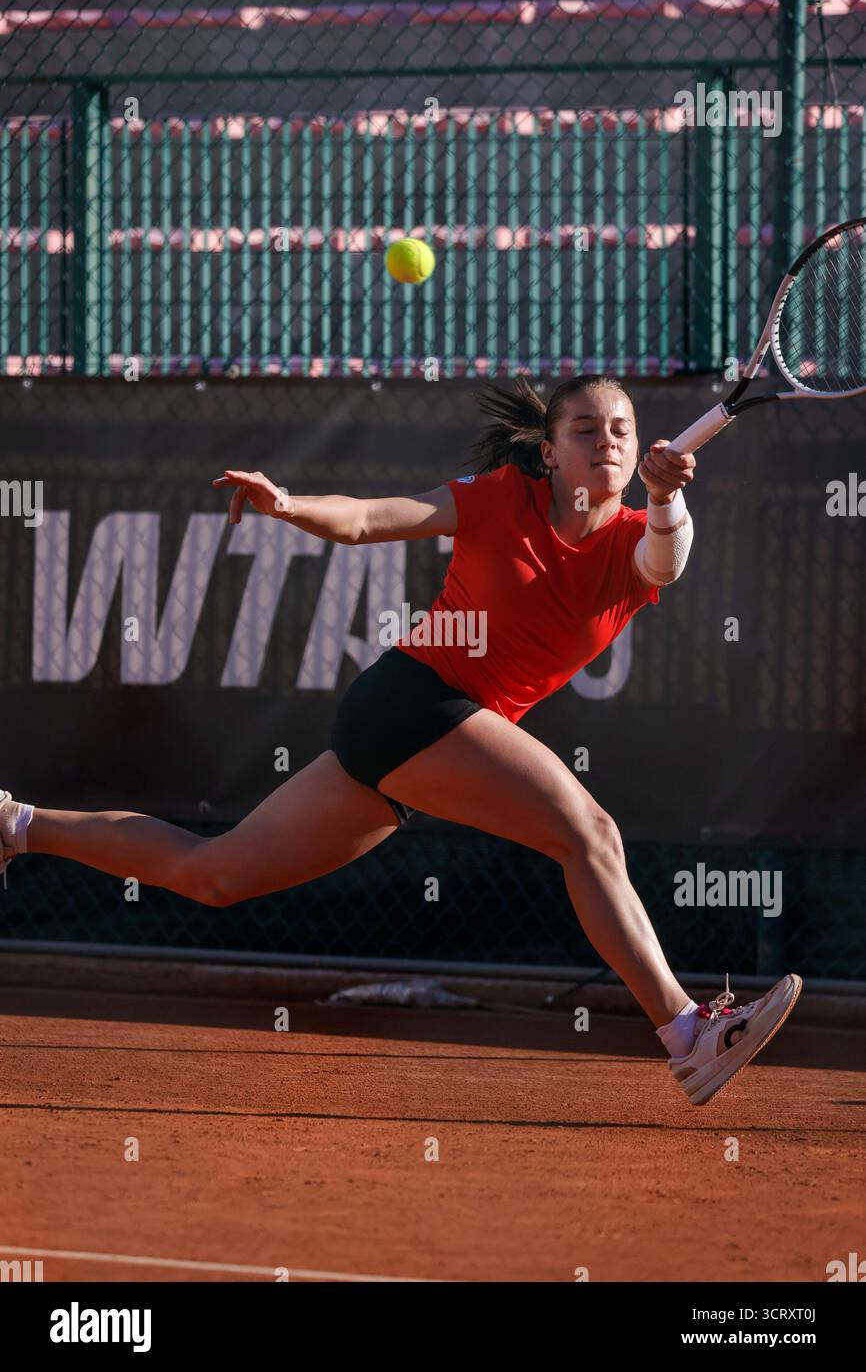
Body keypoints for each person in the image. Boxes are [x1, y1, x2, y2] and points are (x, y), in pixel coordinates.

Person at [0, 375, 801, 1104]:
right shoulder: (498, 499)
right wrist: (288, 505)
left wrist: (666, 502)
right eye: (587, 430)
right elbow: (368, 519)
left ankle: (17, 825)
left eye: (622, 429)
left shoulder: (636, 538)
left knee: (215, 874)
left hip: (425, 743)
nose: (610, 443)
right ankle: (689, 1032)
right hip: (411, 704)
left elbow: (666, 563)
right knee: (588, 833)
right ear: (550, 452)